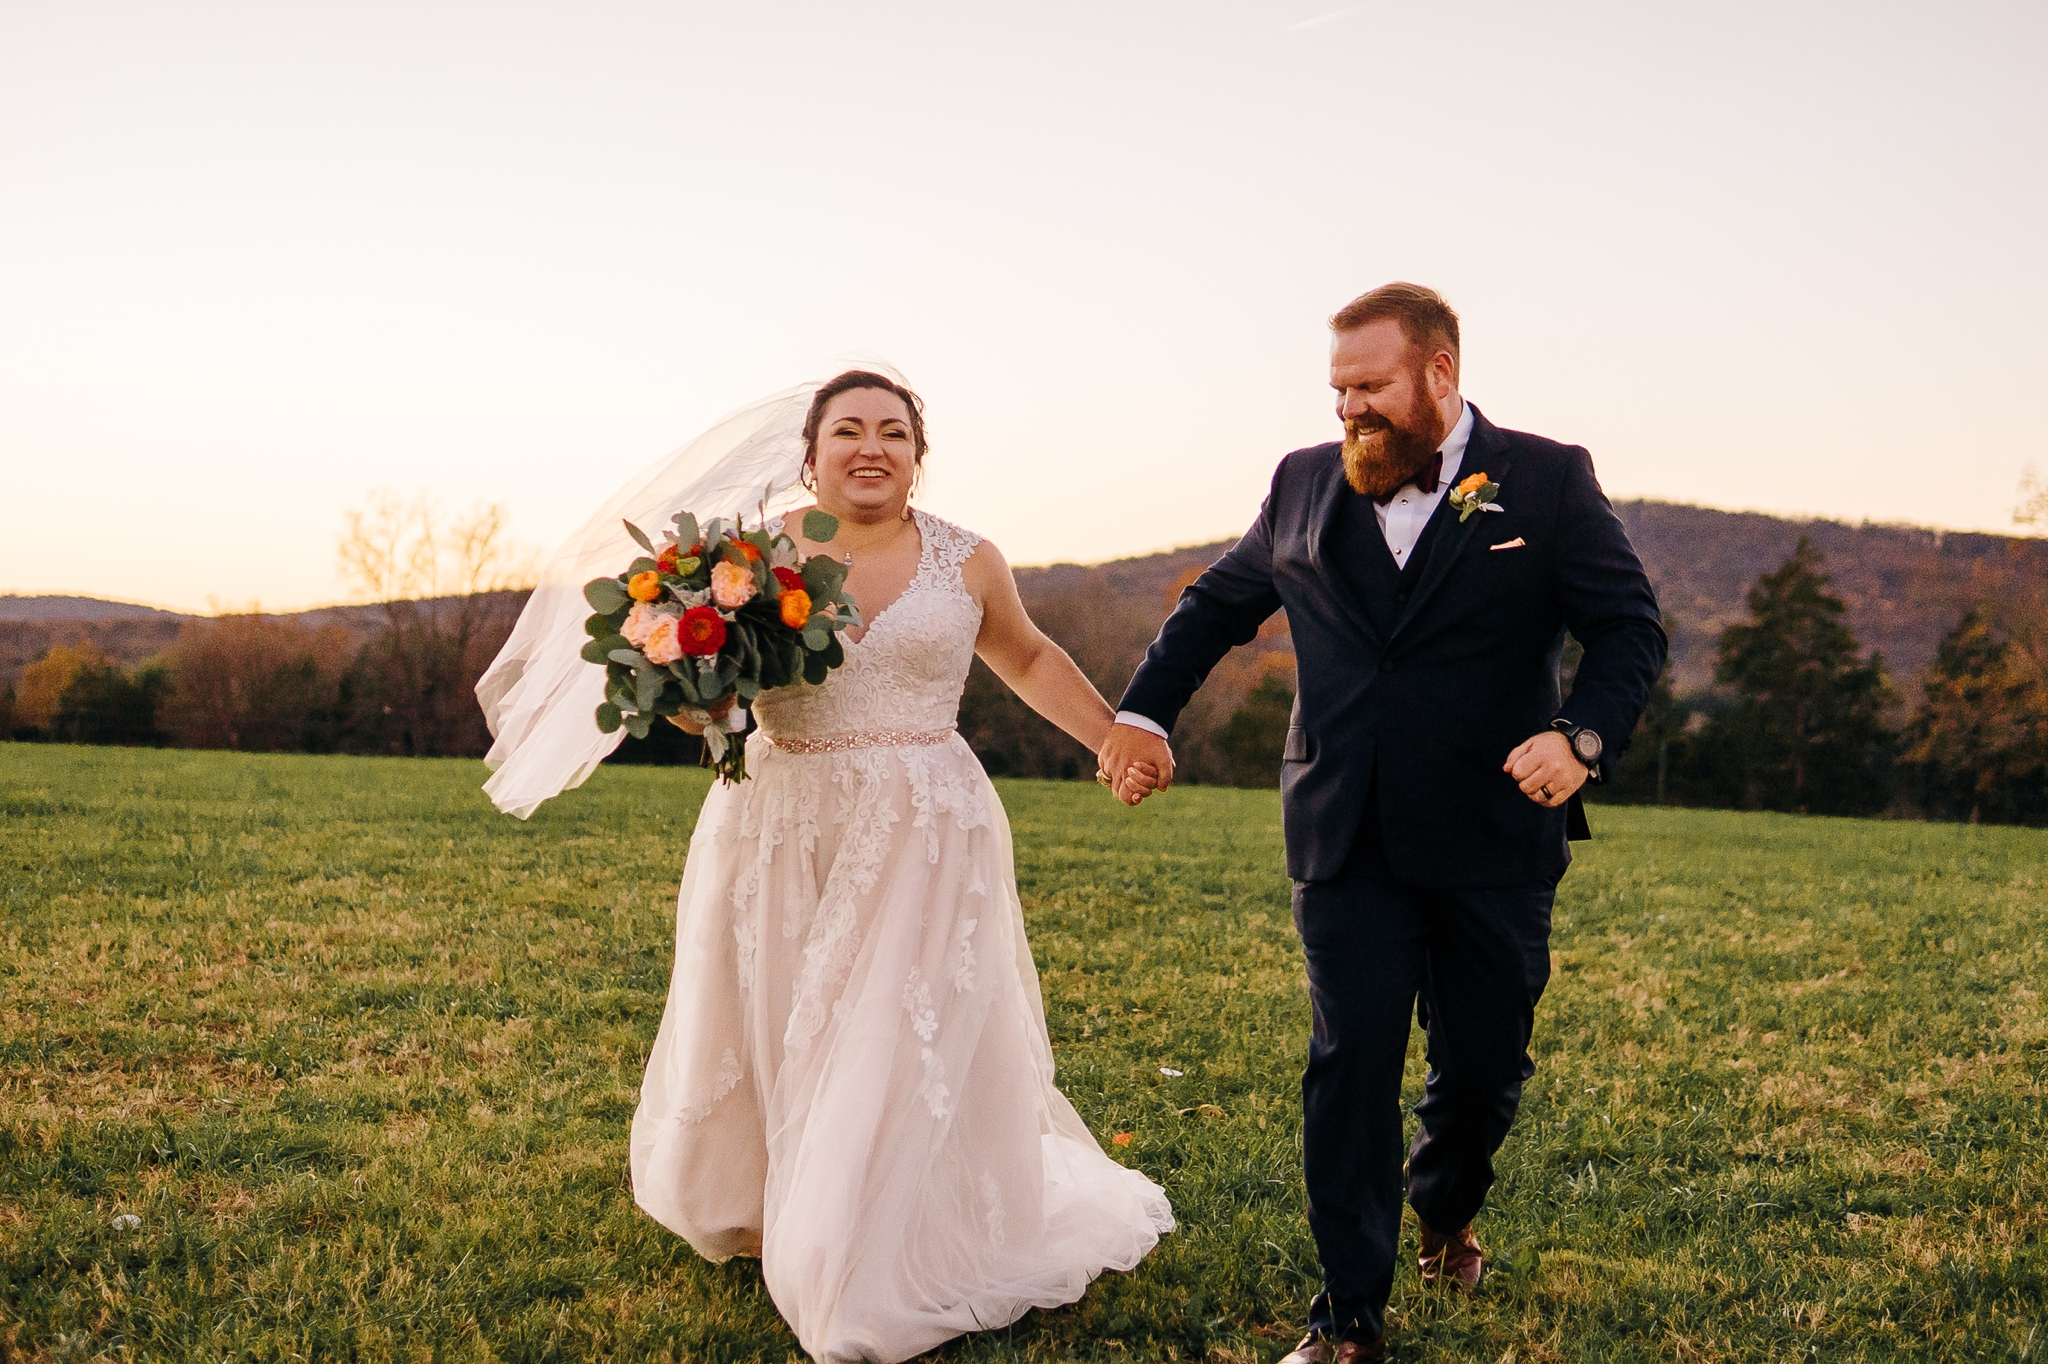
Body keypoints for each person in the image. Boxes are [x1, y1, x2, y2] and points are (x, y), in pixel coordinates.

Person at [1098, 285, 1667, 1362]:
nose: (1347, 410)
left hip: (1493, 830)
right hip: (1342, 830)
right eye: (1337, 390)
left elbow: (1627, 627)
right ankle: (1346, 1316)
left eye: (1368, 387)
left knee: (1484, 1063)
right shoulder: (1301, 481)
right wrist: (1141, 713)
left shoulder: (1545, 479)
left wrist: (1578, 738)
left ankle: (1443, 1208)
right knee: (1347, 1063)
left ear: (1438, 376)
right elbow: (1216, 605)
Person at [618, 371, 1173, 1362]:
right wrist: (689, 689)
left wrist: (1113, 737)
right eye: (847, 431)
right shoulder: (752, 559)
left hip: (922, 823)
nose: (869, 448)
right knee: (777, 1005)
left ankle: (867, 1239)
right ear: (810, 452)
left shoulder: (967, 560)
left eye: (892, 432)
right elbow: (708, 692)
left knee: (883, 1018)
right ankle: (761, 1196)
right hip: (777, 815)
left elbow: (1031, 656)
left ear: (918, 452)